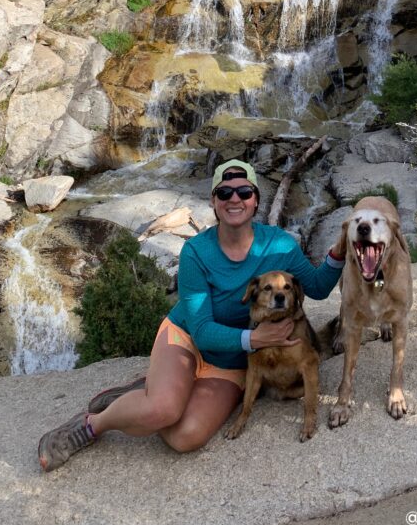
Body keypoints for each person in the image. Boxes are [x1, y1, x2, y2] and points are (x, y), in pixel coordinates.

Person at [38, 159, 345, 470]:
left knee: (185, 437)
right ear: (213, 201)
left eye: (243, 192)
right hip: (186, 338)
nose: (234, 199)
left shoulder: (279, 244)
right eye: (224, 193)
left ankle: (152, 389)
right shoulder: (196, 251)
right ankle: (93, 424)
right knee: (162, 410)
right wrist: (254, 338)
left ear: (255, 200)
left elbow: (318, 288)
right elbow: (200, 329)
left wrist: (339, 253)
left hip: (231, 360)